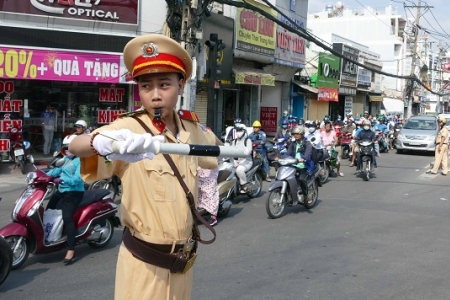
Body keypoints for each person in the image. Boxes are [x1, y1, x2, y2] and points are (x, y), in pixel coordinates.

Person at [69, 34, 218, 300]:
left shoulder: (191, 128)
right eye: (147, 86)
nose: (156, 95)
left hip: (183, 262)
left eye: (164, 84)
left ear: (181, 85)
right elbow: (75, 146)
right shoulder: (129, 129)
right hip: (144, 264)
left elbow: (215, 148)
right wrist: (99, 141)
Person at [46, 135, 84, 265]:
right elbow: (56, 171)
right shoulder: (66, 159)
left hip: (74, 192)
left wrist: (62, 180)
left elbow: (78, 179)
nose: (67, 151)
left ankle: (71, 249)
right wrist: (42, 175)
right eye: (65, 148)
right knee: (48, 210)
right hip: (62, 190)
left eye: (69, 148)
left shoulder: (81, 160)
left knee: (67, 218)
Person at [197, 128, 223, 226]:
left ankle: (213, 216)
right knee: (195, 189)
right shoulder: (198, 141)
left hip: (211, 169)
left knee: (209, 190)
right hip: (200, 168)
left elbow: (222, 149)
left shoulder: (214, 142)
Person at [286, 126, 315, 204]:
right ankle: (290, 195)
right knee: (286, 177)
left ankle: (306, 196)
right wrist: (280, 158)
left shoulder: (307, 143)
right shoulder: (293, 144)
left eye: (297, 134)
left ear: (302, 134)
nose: (295, 135)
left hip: (305, 167)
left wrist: (303, 159)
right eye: (294, 134)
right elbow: (288, 154)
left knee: (302, 179)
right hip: (294, 166)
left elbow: (308, 154)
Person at [232, 123, 253, 193]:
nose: (238, 132)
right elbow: (231, 150)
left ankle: (245, 186)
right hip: (237, 161)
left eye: (240, 130)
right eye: (237, 130)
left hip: (246, 161)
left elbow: (249, 151)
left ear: (244, 131)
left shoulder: (247, 140)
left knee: (239, 170)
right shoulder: (234, 141)